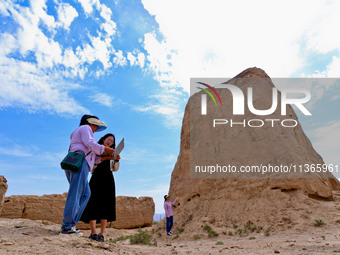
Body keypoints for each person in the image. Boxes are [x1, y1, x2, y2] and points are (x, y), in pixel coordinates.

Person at [61, 115, 114, 235]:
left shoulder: (82, 132)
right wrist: (105, 149)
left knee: (85, 193)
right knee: (76, 194)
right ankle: (67, 227)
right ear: (90, 123)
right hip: (80, 163)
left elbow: (93, 158)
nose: (96, 128)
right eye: (95, 124)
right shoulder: (85, 128)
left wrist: (106, 157)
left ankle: (71, 224)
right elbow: (90, 144)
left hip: (77, 162)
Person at [81, 133, 120, 242]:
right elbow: (91, 166)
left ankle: (101, 234)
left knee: (106, 206)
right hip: (96, 179)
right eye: (108, 139)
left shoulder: (113, 152)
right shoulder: (95, 149)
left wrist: (116, 160)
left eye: (112, 141)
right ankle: (93, 233)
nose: (110, 142)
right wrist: (104, 157)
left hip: (108, 180)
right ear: (103, 139)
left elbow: (115, 169)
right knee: (92, 204)